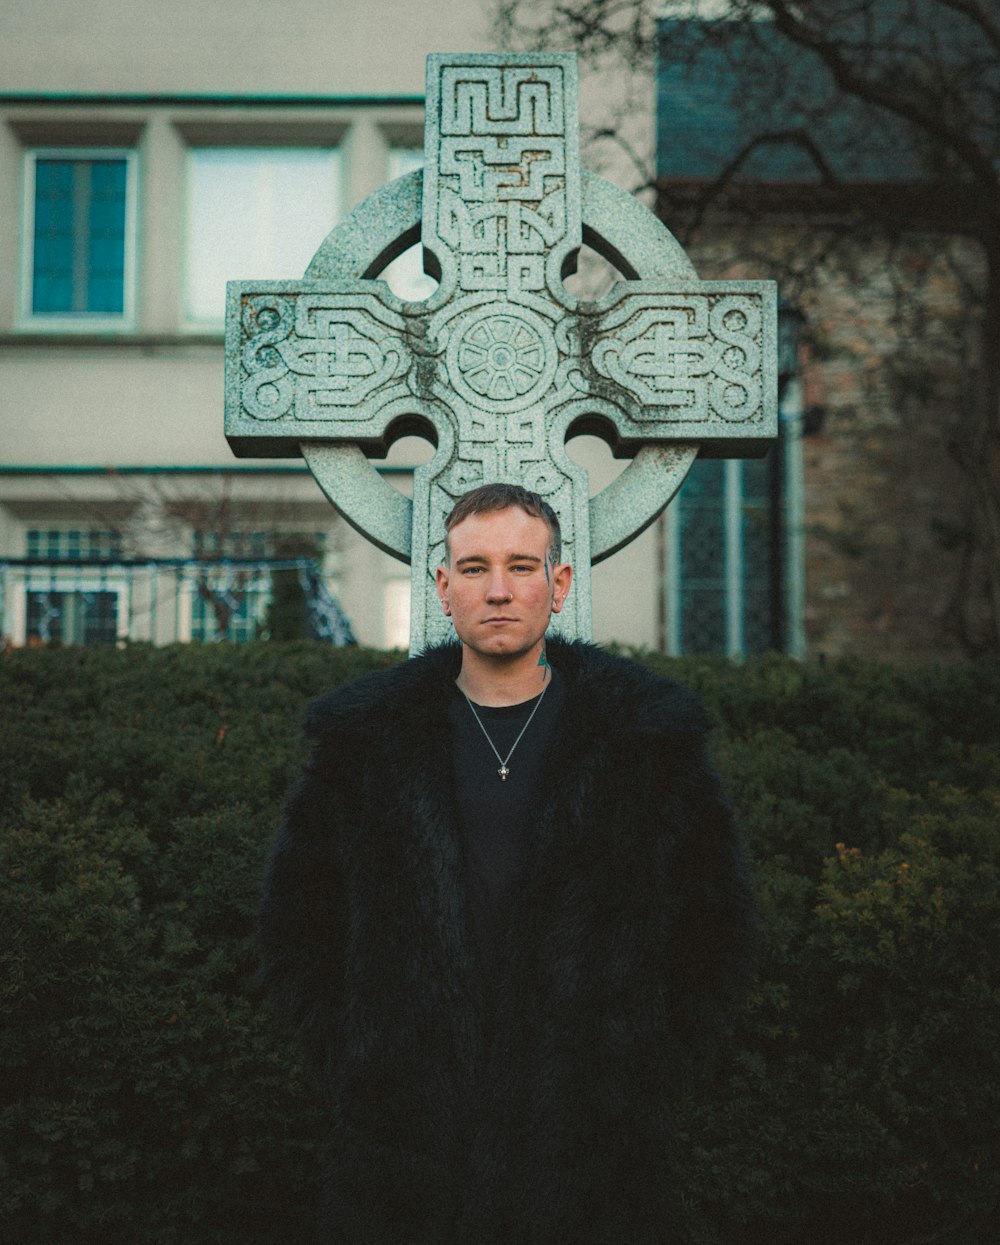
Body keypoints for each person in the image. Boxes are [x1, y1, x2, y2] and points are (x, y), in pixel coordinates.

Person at [259, 482, 756, 1243]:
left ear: (557, 586)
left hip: (591, 1146)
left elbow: (712, 928)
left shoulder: (644, 743)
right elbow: (300, 927)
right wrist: (367, 1068)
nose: (498, 589)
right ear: (443, 587)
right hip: (405, 1151)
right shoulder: (365, 746)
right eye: (475, 567)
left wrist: (633, 1073)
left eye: (522, 566)